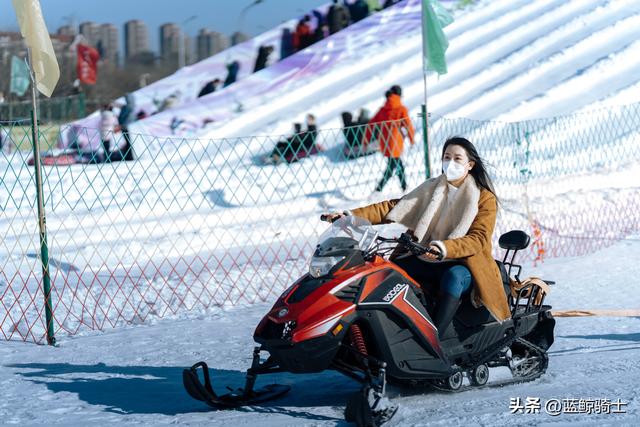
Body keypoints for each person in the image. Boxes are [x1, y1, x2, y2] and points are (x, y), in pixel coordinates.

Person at [325, 137, 510, 337]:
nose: (451, 163)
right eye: (447, 157)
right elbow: (394, 207)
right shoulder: (432, 188)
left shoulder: (484, 198)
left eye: (458, 158)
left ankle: (434, 338)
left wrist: (444, 248)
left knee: (454, 277)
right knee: (389, 272)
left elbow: (479, 238)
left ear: (470, 165)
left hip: (464, 264)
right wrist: (350, 216)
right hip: (425, 254)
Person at [364, 85, 414, 192]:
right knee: (395, 166)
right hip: (396, 142)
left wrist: (366, 141)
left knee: (393, 165)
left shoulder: (382, 110)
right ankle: (399, 189)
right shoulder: (401, 109)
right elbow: (408, 125)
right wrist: (411, 139)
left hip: (385, 143)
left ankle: (398, 187)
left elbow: (370, 125)